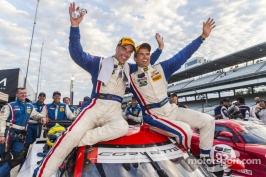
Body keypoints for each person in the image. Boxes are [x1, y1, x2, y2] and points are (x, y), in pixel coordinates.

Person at [33, 2, 163, 177]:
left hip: (115, 109)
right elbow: (77, 54)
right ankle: (41, 173)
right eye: (124, 48)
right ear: (117, 48)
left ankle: (78, 141)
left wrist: (160, 50)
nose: (126, 53)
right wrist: (74, 27)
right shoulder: (99, 62)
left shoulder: (130, 69)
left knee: (122, 128)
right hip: (96, 104)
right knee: (70, 136)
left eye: (130, 51)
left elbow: (144, 62)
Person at [129, 18, 215, 158]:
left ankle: (205, 160)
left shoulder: (161, 68)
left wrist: (202, 37)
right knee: (185, 131)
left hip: (171, 110)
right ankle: (187, 163)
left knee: (208, 121)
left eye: (147, 54)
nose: (145, 57)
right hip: (153, 116)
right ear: (135, 58)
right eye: (141, 54)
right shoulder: (131, 77)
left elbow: (182, 55)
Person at [0, 88, 48, 177]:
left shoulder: (29, 106)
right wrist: (1, 135)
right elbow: (1, 120)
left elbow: (35, 115)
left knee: (20, 157)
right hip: (8, 134)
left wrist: (43, 117)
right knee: (5, 158)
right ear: (17, 94)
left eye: (25, 93)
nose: (24, 95)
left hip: (20, 135)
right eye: (21, 93)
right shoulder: (9, 106)